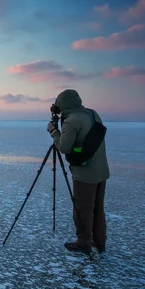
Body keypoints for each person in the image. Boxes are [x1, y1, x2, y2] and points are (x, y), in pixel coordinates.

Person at [46, 89, 110, 254]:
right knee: (97, 208)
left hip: (85, 174)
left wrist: (54, 131)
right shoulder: (92, 114)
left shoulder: (72, 121)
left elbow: (64, 147)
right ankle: (99, 242)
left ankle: (83, 243)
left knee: (82, 210)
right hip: (101, 171)